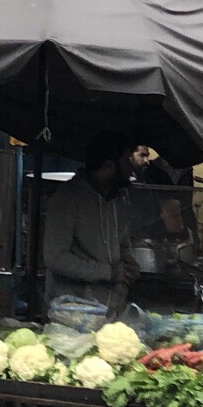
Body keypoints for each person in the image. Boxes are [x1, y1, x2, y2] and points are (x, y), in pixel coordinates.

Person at [42, 132, 138, 308]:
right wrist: (108, 272)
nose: (131, 169)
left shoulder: (120, 200)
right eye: (127, 162)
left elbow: (124, 245)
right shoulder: (67, 198)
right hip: (70, 314)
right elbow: (55, 258)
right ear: (109, 166)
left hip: (108, 311)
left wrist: (129, 264)